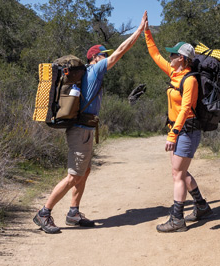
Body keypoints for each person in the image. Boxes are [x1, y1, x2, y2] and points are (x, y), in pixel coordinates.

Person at [33, 11, 148, 234]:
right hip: (81, 131)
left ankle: (73, 213)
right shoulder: (94, 71)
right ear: (94, 59)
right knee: (74, 175)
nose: (106, 57)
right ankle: (43, 213)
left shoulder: (89, 73)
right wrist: (138, 32)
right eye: (102, 55)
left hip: (84, 130)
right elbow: (121, 51)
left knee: (83, 173)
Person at [143, 14, 213, 233]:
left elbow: (185, 109)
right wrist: (146, 32)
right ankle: (201, 206)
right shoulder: (174, 73)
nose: (169, 56)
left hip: (186, 131)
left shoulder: (190, 79)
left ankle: (177, 219)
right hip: (178, 130)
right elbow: (154, 55)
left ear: (182, 58)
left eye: (173, 54)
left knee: (178, 175)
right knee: (179, 172)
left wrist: (172, 135)